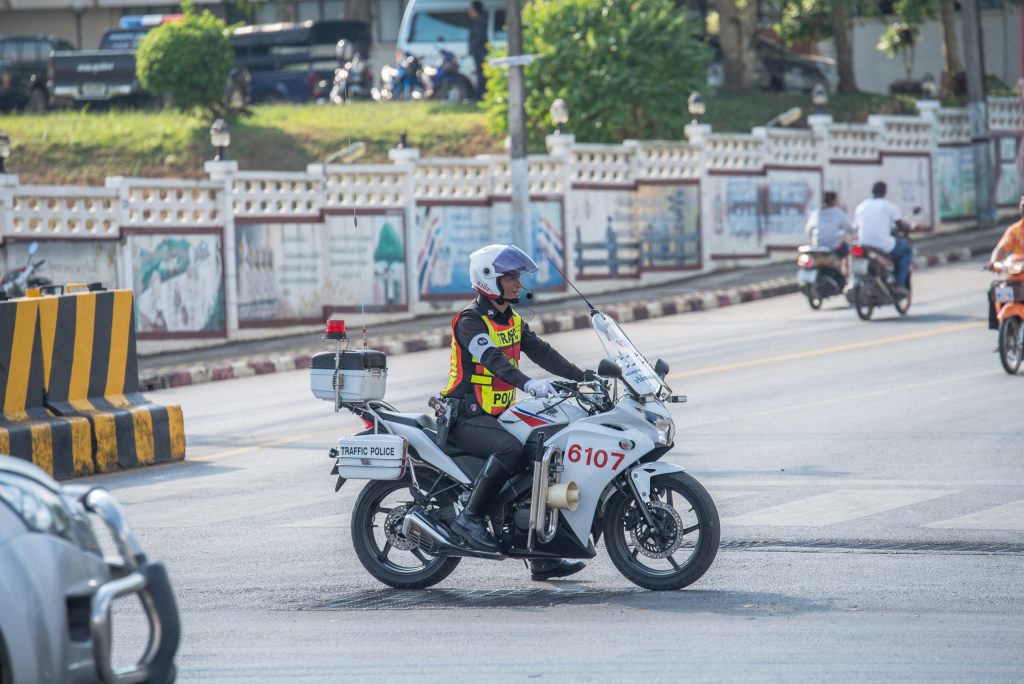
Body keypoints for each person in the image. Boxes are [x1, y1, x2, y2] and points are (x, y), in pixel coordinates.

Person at [441, 244, 588, 580]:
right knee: (510, 449)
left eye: (518, 276)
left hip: (499, 414)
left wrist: (584, 377)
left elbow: (543, 353)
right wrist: (529, 385)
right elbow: (492, 360)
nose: (518, 283)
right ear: (489, 278)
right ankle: (470, 519)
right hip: (466, 415)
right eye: (511, 276)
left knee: (547, 448)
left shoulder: (512, 319)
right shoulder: (469, 322)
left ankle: (541, 554)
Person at [854, 181, 913, 296]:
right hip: (882, 244)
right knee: (906, 250)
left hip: (863, 243)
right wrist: (909, 229)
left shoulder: (861, 206)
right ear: (885, 192)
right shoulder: (889, 206)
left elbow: (856, 227)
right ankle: (900, 285)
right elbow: (900, 225)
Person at [985, 194, 1024, 329]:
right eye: (1023, 206)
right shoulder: (1015, 230)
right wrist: (993, 261)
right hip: (1017, 275)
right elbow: (1001, 248)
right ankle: (1001, 330)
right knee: (995, 291)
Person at [805, 190, 854, 257]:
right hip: (834, 247)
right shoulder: (838, 213)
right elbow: (850, 229)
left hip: (818, 246)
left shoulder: (816, 213)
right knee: (848, 248)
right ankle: (843, 266)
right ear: (834, 200)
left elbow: (808, 230)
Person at [468, 1, 488, 100]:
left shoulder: (479, 22)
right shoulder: (479, 21)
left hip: (479, 53)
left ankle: (479, 96)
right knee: (480, 74)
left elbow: (478, 39)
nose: (469, 11)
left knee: (481, 75)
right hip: (479, 53)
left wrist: (474, 50)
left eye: (471, 9)